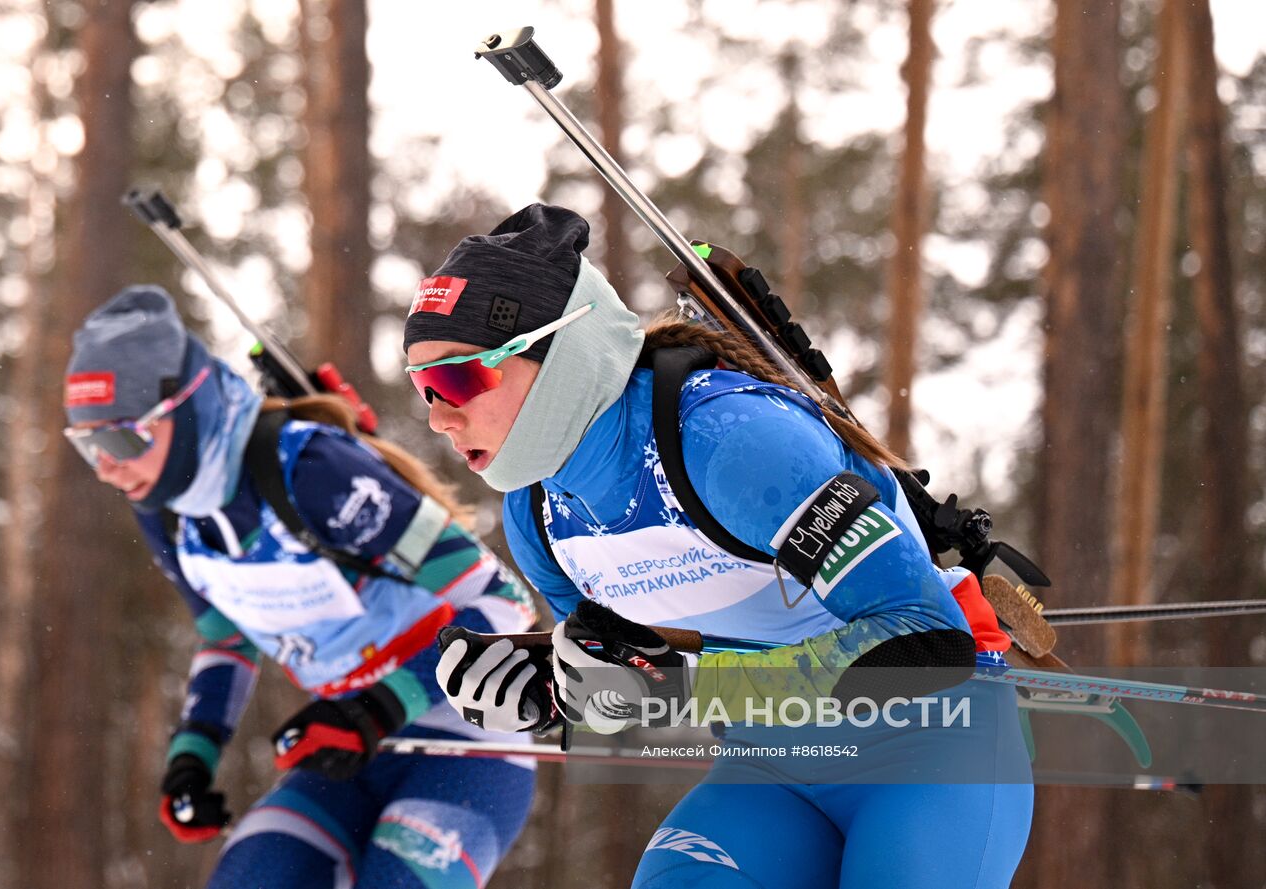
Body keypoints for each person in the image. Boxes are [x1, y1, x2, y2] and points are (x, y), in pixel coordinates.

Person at [403, 205, 1034, 888]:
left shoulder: (729, 440)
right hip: (772, 771)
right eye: (424, 388)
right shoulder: (539, 516)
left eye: (460, 378)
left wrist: (683, 688)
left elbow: (927, 639)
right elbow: (635, 674)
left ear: (561, 354)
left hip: (929, 753)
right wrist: (555, 689)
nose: (439, 416)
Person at [63, 285, 537, 889]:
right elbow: (226, 638)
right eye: (86, 444)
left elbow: (502, 602)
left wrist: (378, 706)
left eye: (118, 438)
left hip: (463, 738)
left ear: (182, 410)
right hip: (347, 749)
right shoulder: (167, 509)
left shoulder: (312, 470)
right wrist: (194, 755)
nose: (106, 466)